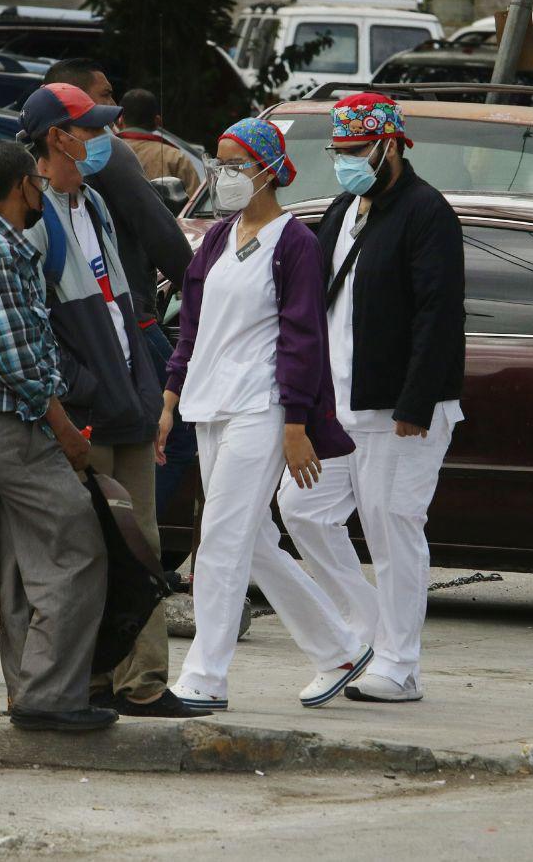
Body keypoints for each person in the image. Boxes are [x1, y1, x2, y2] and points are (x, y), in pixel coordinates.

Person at [158, 117, 371, 711]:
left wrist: (296, 424)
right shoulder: (216, 239)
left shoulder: (295, 243)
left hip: (263, 408)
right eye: (218, 161)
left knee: (222, 541)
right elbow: (192, 327)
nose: (223, 174)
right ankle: (338, 650)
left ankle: (205, 677)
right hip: (208, 404)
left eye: (234, 163)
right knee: (250, 542)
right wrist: (171, 397)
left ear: (268, 170)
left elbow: (304, 337)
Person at [277, 93, 465, 704]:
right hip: (338, 407)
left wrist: (415, 402)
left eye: (357, 151)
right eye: (340, 152)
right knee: (300, 509)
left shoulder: (427, 212)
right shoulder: (341, 209)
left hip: (400, 410)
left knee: (393, 530)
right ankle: (368, 631)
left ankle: (400, 665)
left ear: (388, 146)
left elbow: (438, 314)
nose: (347, 162)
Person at [21, 83, 196, 719]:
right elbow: (34, 328)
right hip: (85, 415)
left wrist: (146, 394)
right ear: (55, 139)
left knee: (141, 543)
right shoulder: (32, 218)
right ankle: (91, 681)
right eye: (89, 130)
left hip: (129, 403)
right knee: (91, 549)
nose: (101, 140)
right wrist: (84, 393)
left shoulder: (93, 203)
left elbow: (123, 305)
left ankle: (143, 683)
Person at [0, 138, 116, 734]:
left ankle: (32, 689)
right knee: (77, 548)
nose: (41, 192)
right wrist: (66, 432)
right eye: (37, 183)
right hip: (9, 429)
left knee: (22, 566)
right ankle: (50, 696)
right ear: (21, 187)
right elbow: (18, 363)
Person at [42, 59, 196, 519]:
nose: (113, 110)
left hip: (90, 337)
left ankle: (130, 544)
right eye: (104, 96)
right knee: (175, 434)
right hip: (130, 327)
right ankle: (132, 543)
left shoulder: (73, 190)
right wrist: (206, 299)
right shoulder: (106, 155)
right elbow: (164, 236)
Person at [118, 87, 202, 199]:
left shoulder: (101, 152)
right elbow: (194, 204)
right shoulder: (176, 157)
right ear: (158, 121)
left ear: (120, 120)